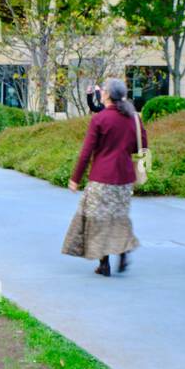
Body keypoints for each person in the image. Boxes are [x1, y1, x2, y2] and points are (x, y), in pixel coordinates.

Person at [63, 78, 147, 277]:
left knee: (98, 219)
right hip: (125, 177)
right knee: (119, 216)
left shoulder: (100, 119)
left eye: (103, 91)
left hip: (102, 177)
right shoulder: (133, 117)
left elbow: (86, 151)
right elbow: (141, 145)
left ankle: (104, 264)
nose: (101, 93)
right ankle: (123, 251)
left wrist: (75, 178)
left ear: (108, 94)